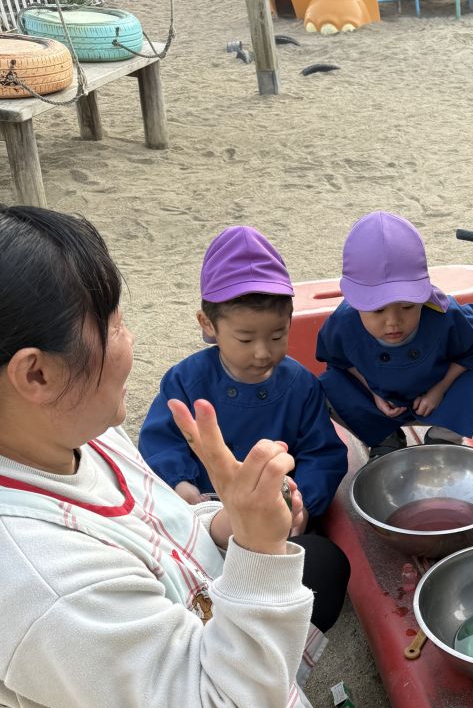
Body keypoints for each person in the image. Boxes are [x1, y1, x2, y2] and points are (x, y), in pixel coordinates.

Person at [0, 205, 435, 708]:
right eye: (112, 324)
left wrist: (229, 523)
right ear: (34, 373)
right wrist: (261, 553)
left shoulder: (71, 434)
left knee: (320, 563)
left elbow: (162, 532)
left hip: (165, 674)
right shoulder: (34, 580)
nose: (129, 344)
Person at [139, 225, 347, 533]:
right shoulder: (185, 380)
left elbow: (322, 454)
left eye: (277, 335)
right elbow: (161, 440)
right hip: (203, 510)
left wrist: (302, 505)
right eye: (246, 340)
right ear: (208, 325)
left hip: (276, 516)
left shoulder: (301, 386)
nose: (263, 352)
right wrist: (180, 484)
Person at [317, 212, 473, 457]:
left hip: (438, 395)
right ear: (357, 302)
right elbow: (338, 363)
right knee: (327, 386)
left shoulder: (447, 315)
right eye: (377, 309)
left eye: (407, 306)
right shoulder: (343, 322)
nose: (393, 322)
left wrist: (440, 390)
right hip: (381, 401)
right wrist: (373, 393)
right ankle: (384, 436)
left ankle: (444, 438)